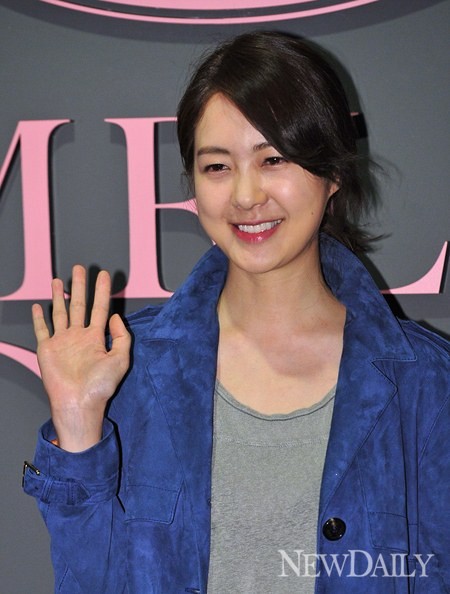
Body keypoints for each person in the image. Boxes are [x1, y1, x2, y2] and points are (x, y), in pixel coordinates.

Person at [23, 31, 449, 594]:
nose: (246, 196)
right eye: (217, 167)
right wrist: (78, 426)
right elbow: (90, 582)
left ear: (332, 174)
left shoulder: (426, 384)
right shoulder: (128, 370)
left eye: (273, 159)